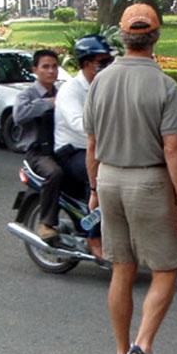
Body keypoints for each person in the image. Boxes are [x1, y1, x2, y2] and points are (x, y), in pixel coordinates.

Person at [84, 3, 177, 354]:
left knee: (122, 268)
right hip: (148, 181)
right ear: (156, 36)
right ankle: (142, 346)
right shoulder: (166, 86)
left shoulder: (100, 80)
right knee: (166, 268)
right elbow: (173, 149)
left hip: (110, 177)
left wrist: (95, 189)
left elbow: (92, 143)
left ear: (122, 36)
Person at [55, 36, 113, 256]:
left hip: (101, 148)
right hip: (72, 152)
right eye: (103, 61)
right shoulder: (71, 90)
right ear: (87, 63)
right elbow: (79, 124)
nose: (107, 65)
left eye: (109, 60)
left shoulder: (105, 86)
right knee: (102, 181)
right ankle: (94, 236)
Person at [14, 49, 62, 243]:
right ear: (35, 70)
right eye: (46, 67)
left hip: (61, 148)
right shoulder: (27, 94)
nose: (51, 71)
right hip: (38, 152)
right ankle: (46, 223)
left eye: (54, 66)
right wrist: (49, 103)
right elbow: (19, 115)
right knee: (54, 173)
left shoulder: (63, 93)